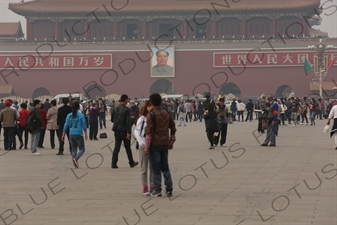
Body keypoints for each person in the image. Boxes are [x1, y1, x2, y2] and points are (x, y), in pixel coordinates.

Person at [144, 93, 176, 197]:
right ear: (161, 101)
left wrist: (146, 146)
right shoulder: (166, 113)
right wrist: (171, 141)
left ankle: (157, 189)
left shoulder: (151, 115)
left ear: (151, 103)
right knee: (165, 166)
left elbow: (149, 132)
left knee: (156, 167)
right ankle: (169, 189)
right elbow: (173, 127)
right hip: (164, 143)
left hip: (155, 144)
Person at [111, 94, 139, 169]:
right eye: (127, 99)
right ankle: (131, 162)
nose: (128, 101)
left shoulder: (115, 109)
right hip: (124, 131)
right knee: (127, 147)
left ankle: (113, 163)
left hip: (117, 130)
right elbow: (127, 122)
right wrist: (129, 132)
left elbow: (112, 120)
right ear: (125, 100)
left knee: (117, 147)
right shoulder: (127, 109)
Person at [134, 101, 154, 196]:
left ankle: (153, 186)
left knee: (153, 167)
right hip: (144, 146)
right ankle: (145, 187)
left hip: (153, 145)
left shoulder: (154, 117)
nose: (151, 108)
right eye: (150, 106)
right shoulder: (142, 118)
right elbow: (137, 133)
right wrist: (143, 144)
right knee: (144, 168)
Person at [62, 102, 88, 168]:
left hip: (71, 133)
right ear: (78, 107)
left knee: (73, 149)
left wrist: (63, 133)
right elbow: (84, 124)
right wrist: (85, 133)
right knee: (82, 149)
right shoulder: (81, 115)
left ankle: (75, 161)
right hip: (78, 133)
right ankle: (76, 159)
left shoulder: (69, 115)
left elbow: (66, 124)